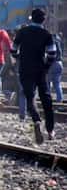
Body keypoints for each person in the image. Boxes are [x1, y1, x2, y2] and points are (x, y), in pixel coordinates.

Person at [11, 8, 57, 143]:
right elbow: (52, 54)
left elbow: (13, 49)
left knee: (30, 97)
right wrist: (46, 67)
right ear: (44, 20)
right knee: (46, 99)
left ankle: (36, 120)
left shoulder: (22, 32)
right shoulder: (47, 34)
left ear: (31, 18)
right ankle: (50, 131)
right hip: (40, 70)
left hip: (25, 69)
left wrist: (20, 57)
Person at [48, 33, 63, 103]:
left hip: (52, 64)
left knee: (47, 82)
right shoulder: (59, 43)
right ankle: (60, 99)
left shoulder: (50, 44)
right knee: (57, 83)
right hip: (59, 63)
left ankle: (47, 98)